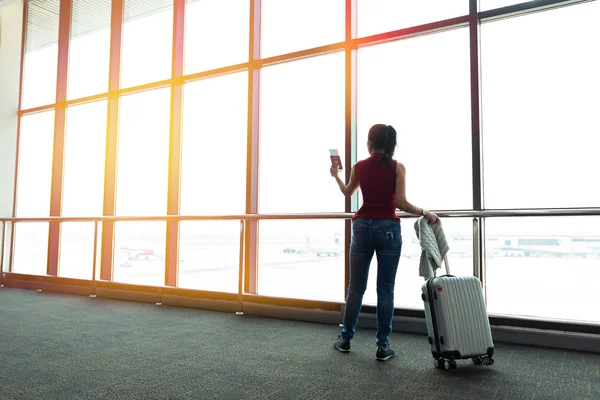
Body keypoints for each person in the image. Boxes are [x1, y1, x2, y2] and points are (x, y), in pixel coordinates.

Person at [330, 123, 439, 361]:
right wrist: (424, 211)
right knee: (385, 289)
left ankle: (345, 339)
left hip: (362, 227)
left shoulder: (359, 166)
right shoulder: (397, 168)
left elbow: (348, 192)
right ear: (391, 145)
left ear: (369, 144)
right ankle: (382, 347)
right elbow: (401, 203)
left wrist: (336, 176)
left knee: (356, 287)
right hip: (388, 228)